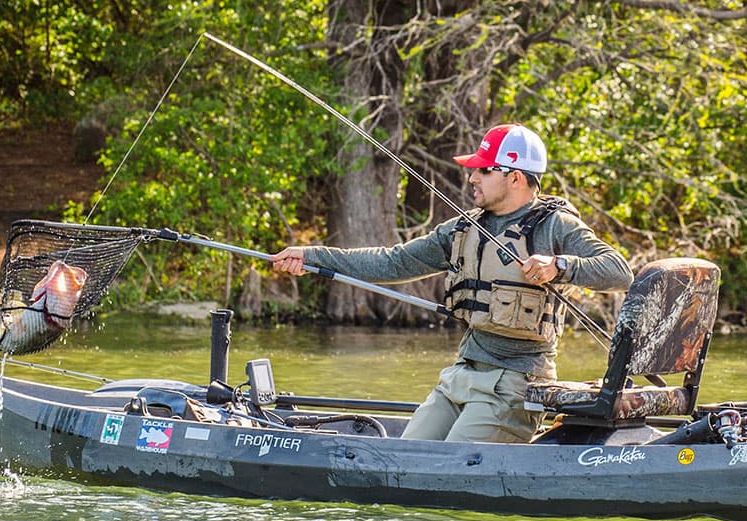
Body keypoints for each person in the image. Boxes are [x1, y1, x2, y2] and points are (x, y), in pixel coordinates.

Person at [271, 124, 633, 443]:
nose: (472, 178)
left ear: (515, 177)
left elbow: (619, 271)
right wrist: (313, 257)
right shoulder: (462, 228)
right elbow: (391, 261)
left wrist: (560, 265)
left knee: (439, 464)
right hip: (460, 376)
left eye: (483, 170)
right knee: (403, 457)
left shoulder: (554, 226)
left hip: (514, 386)